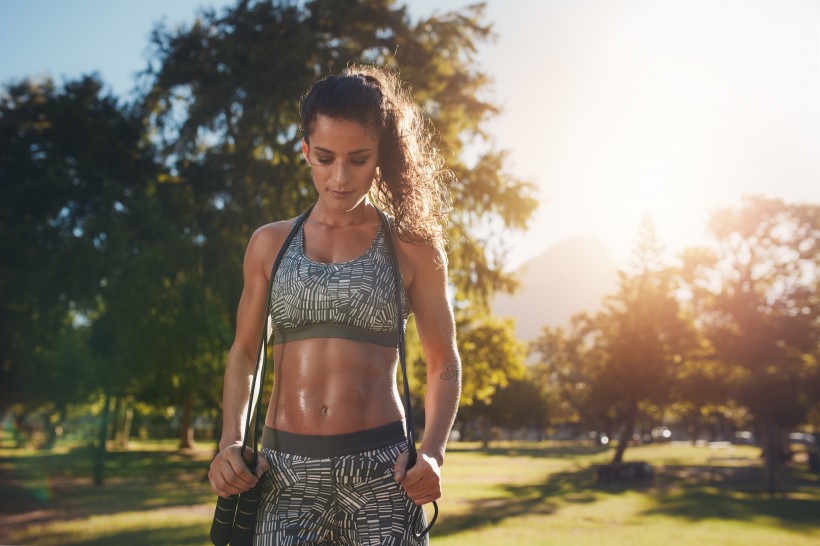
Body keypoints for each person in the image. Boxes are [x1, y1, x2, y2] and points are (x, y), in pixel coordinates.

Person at [208, 64, 462, 546]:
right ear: (305, 150)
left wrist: (433, 453)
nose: (340, 177)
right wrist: (229, 443)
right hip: (284, 477)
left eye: (359, 159)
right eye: (325, 158)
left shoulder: (414, 247)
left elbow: (443, 361)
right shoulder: (268, 244)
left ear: (381, 156)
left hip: (384, 477)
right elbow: (243, 354)